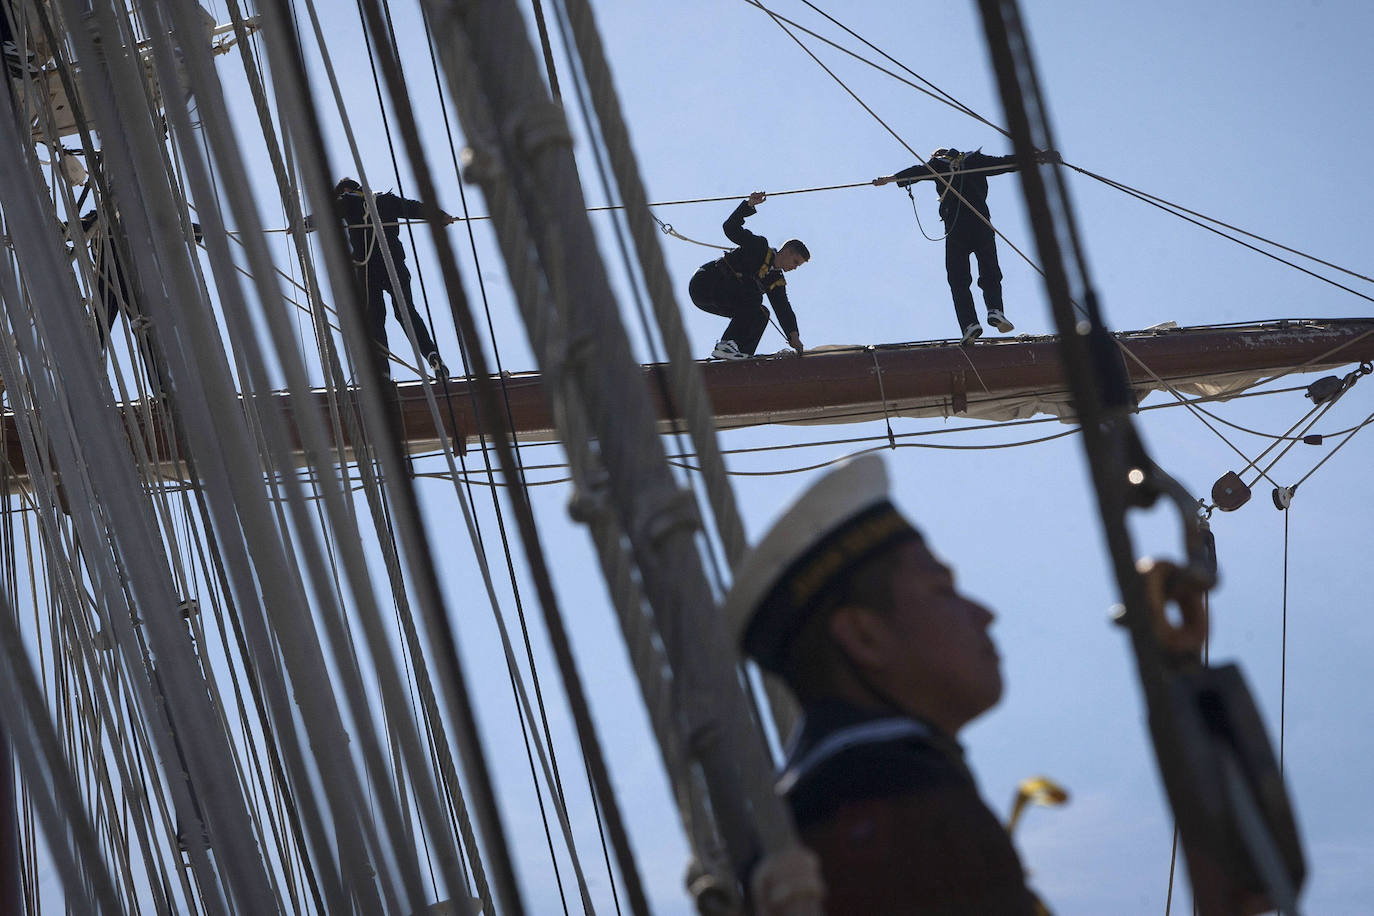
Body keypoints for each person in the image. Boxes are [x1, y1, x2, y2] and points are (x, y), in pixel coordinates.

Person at [724, 454, 1044, 914]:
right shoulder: (893, 802)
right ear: (865, 637)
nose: (984, 614)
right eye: (942, 590)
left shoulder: (810, 811)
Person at [876, 147, 1060, 345]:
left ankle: (969, 324)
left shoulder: (938, 165)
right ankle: (995, 310)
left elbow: (916, 171)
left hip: (956, 227)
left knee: (958, 279)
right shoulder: (975, 160)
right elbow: (1004, 163)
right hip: (981, 222)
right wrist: (1038, 157)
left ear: (937, 156)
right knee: (989, 269)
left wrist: (889, 178)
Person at [324, 178, 453, 378]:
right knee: (405, 312)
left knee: (375, 318)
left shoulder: (346, 201)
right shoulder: (385, 199)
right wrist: (440, 215)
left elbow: (325, 215)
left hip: (368, 269)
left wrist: (304, 224)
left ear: (345, 191)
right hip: (393, 263)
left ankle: (383, 372)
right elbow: (413, 208)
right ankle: (432, 356)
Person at [688, 191, 808, 360]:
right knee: (753, 295)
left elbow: (783, 308)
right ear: (787, 252)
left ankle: (739, 356)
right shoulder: (759, 247)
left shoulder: (776, 280)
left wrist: (794, 337)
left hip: (720, 298)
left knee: (761, 314)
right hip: (706, 283)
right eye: (795, 262)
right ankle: (726, 344)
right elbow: (730, 228)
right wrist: (748, 205)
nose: (794, 268)